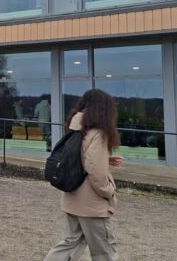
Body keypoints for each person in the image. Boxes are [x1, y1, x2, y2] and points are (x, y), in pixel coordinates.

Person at [44, 89, 121, 261]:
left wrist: (105, 159)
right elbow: (95, 171)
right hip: (91, 203)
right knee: (104, 251)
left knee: (70, 244)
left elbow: (78, 158)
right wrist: (108, 191)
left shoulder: (76, 128)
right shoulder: (98, 133)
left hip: (72, 196)